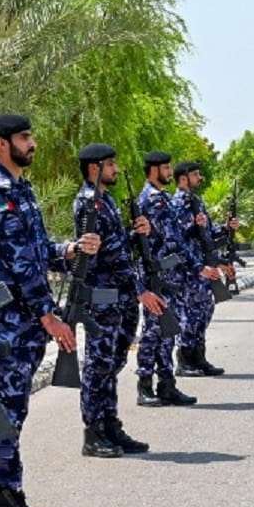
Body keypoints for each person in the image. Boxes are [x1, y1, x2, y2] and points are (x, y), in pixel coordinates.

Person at [0, 114, 96, 507]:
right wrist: (48, 315)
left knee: (12, 410)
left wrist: (70, 250)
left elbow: (37, 251)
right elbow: (21, 265)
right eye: (25, 137)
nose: (33, 143)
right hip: (9, 320)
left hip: (20, 319)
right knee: (4, 411)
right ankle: (6, 501)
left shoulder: (20, 190)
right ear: (2, 144)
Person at [71, 144, 163, 458]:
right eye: (111, 165)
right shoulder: (89, 204)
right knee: (98, 367)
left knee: (112, 364)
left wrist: (136, 233)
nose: (116, 169)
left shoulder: (105, 200)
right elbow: (110, 256)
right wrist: (140, 289)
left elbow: (118, 246)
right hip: (104, 297)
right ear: (94, 168)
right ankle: (92, 432)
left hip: (119, 296)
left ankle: (110, 425)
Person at [134, 151, 203, 404]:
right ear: (154, 170)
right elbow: (173, 239)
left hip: (170, 275)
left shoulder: (162, 198)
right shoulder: (151, 200)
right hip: (157, 275)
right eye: (166, 167)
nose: (169, 171)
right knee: (152, 332)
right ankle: (144, 386)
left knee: (167, 332)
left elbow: (178, 238)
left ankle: (166, 384)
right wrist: (196, 266)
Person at [172, 160, 232, 376]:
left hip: (204, 266)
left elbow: (206, 234)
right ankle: (185, 360)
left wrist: (225, 228)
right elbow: (176, 238)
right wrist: (193, 226)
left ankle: (199, 357)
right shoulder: (177, 203)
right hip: (190, 269)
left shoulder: (196, 200)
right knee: (189, 315)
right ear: (183, 178)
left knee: (204, 311)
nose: (200, 178)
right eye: (195, 174)